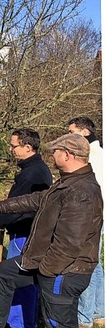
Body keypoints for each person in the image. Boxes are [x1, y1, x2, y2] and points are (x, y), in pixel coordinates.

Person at [0, 133, 103, 328]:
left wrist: (45, 272)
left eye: (56, 152)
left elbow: (69, 245)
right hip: (47, 263)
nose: (52, 156)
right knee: (3, 273)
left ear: (67, 155)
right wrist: (0, 206)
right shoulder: (68, 182)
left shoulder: (81, 192)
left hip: (64, 272)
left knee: (57, 322)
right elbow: (37, 199)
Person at [0, 128, 52, 328]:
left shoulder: (33, 174)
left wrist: (0, 221)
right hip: (24, 230)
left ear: (27, 147)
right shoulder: (33, 169)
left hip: (25, 232)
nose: (11, 149)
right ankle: (17, 319)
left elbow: (22, 205)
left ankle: (19, 323)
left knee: (20, 279)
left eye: (14, 145)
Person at [67, 117, 105, 328]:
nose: (70, 135)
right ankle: (99, 311)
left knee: (85, 264)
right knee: (96, 264)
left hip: (91, 217)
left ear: (84, 132)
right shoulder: (99, 154)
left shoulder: (92, 157)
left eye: (73, 132)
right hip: (98, 217)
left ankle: (85, 317)